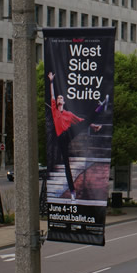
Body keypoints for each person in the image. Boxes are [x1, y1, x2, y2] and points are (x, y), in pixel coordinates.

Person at [48, 72, 102, 201]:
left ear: (64, 101)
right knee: (66, 164)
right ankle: (72, 191)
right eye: (59, 98)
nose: (59, 99)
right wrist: (51, 82)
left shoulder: (68, 113)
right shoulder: (55, 110)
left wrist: (92, 125)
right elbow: (52, 95)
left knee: (85, 122)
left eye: (61, 98)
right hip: (61, 137)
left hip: (69, 132)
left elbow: (81, 121)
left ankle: (101, 107)